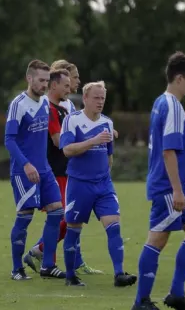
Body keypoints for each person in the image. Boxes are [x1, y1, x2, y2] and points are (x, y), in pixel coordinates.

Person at [132, 52, 185, 310]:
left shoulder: (163, 102)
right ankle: (140, 302)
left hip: (175, 184)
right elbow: (168, 151)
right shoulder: (171, 106)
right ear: (179, 78)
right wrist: (176, 190)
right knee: (157, 239)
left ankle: (176, 294)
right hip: (168, 186)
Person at [23, 69, 104, 275]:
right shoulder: (49, 109)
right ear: (54, 85)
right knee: (66, 216)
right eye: (66, 85)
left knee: (72, 216)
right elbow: (59, 141)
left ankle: (46, 254)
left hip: (68, 171)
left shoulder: (63, 110)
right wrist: (89, 141)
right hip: (56, 171)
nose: (70, 89)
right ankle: (42, 254)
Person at [59, 81, 137, 288]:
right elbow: (67, 150)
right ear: (85, 98)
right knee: (73, 230)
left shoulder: (107, 123)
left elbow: (109, 156)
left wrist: (105, 175)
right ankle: (70, 276)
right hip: (79, 184)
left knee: (114, 227)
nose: (100, 102)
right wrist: (92, 141)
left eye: (103, 98)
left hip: (103, 185)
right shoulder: (72, 120)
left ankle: (119, 274)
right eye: (96, 98)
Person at [5, 59, 66, 281]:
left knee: (57, 212)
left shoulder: (44, 104)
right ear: (29, 79)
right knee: (25, 217)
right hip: (24, 172)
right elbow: (9, 140)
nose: (45, 85)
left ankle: (47, 265)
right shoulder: (18, 104)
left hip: (45, 170)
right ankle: (16, 269)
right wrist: (26, 164)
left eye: (47, 81)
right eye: (41, 80)